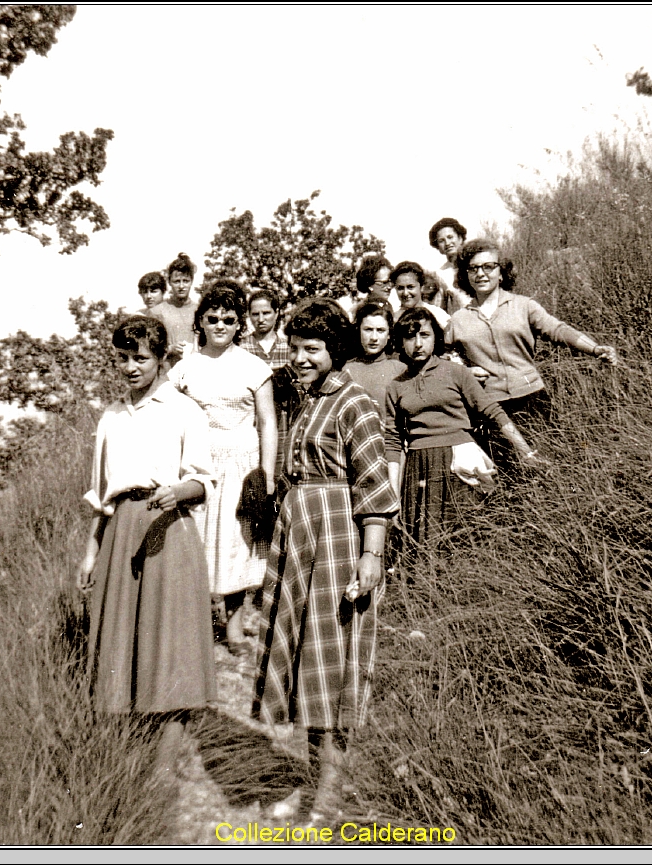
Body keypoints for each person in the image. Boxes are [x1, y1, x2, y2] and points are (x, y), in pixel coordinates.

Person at [253, 297, 398, 819]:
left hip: (338, 538)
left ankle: (330, 796)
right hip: (301, 538)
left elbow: (376, 486)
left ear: (334, 350)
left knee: (332, 664)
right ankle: (311, 783)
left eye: (311, 348)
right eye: (294, 348)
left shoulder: (354, 402)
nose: (300, 357)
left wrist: (371, 554)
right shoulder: (310, 401)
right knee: (306, 663)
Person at [76, 316, 216, 772]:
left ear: (161, 360)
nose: (131, 367)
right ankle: (124, 759)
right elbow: (102, 496)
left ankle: (163, 768)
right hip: (121, 532)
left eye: (140, 358)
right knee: (118, 642)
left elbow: (203, 480)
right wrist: (91, 552)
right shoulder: (111, 416)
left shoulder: (184, 411)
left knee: (169, 644)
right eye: (123, 358)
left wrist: (178, 492)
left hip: (168, 530)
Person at [168, 281, 277, 654]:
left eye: (228, 320)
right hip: (198, 465)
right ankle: (197, 623)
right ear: (200, 321)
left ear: (238, 324)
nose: (220, 326)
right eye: (212, 318)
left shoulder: (254, 367)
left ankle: (232, 629)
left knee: (236, 545)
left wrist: (267, 475)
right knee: (195, 543)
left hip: (242, 463)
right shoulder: (184, 369)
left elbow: (268, 424)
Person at [384, 308, 546, 547]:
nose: (418, 344)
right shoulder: (396, 386)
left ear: (436, 338)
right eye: (410, 337)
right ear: (401, 342)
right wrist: (394, 496)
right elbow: (393, 441)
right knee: (424, 544)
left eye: (425, 335)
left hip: (460, 462)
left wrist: (525, 451)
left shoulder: (456, 372)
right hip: (419, 469)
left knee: (466, 538)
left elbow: (492, 412)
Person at [447, 237, 619, 459]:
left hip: (532, 399)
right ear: (466, 275)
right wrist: (465, 373)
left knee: (551, 461)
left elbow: (558, 330)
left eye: (489, 266)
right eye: (473, 268)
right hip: (489, 407)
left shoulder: (524, 306)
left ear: (501, 272)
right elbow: (443, 359)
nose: (481, 273)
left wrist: (595, 349)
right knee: (510, 474)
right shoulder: (458, 319)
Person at [343, 298, 406, 432]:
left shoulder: (400, 370)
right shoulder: (346, 370)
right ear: (358, 330)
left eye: (380, 330)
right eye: (368, 329)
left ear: (389, 334)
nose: (374, 337)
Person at [148, 252, 199, 361]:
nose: (181, 286)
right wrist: (170, 349)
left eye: (185, 281)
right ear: (169, 282)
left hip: (194, 371)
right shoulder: (157, 311)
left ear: (191, 282)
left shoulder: (199, 310)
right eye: (176, 281)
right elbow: (149, 348)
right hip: (167, 372)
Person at [427, 217, 471, 314]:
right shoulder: (441, 274)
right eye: (441, 241)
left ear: (460, 238)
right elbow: (440, 308)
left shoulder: (474, 264)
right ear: (437, 246)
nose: (447, 243)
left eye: (450, 237)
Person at [390, 260, 449, 330]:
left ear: (422, 287)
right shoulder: (392, 319)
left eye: (410, 287)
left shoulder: (438, 315)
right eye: (400, 288)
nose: (405, 293)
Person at [243, 288, 292, 371]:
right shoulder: (241, 347)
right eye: (255, 314)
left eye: (266, 313)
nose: (261, 319)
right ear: (249, 315)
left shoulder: (289, 347)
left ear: (276, 313)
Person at [338, 255, 399, 320]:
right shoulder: (360, 310)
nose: (389, 287)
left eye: (390, 282)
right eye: (384, 283)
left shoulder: (386, 306)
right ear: (369, 284)